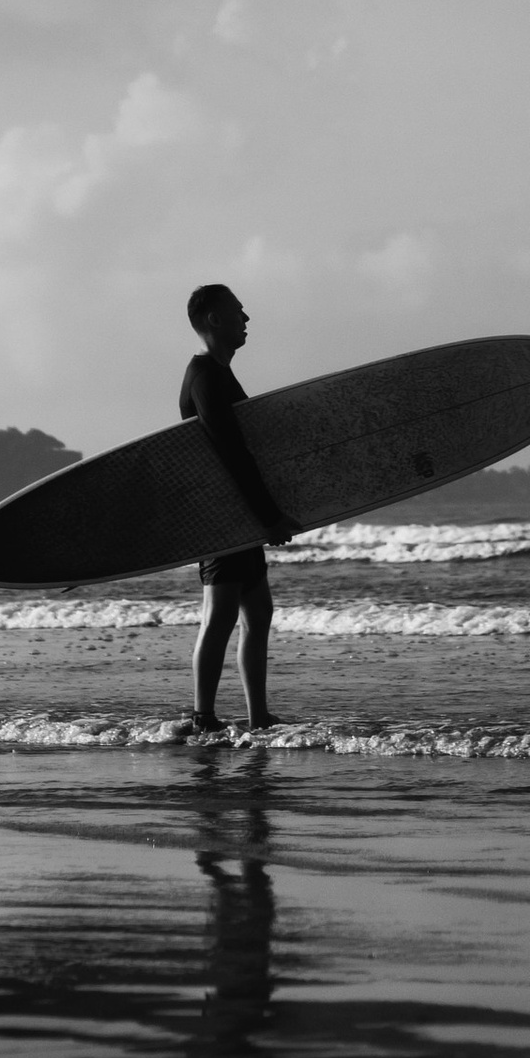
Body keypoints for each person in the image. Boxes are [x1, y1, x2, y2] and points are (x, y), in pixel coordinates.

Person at [180, 281, 292, 731]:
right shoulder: (205, 377)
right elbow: (231, 451)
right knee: (220, 616)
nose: (246, 319)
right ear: (214, 319)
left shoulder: (219, 373)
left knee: (258, 612)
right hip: (222, 517)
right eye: (239, 311)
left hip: (239, 516)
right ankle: (203, 716)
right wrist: (269, 515)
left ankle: (257, 716)